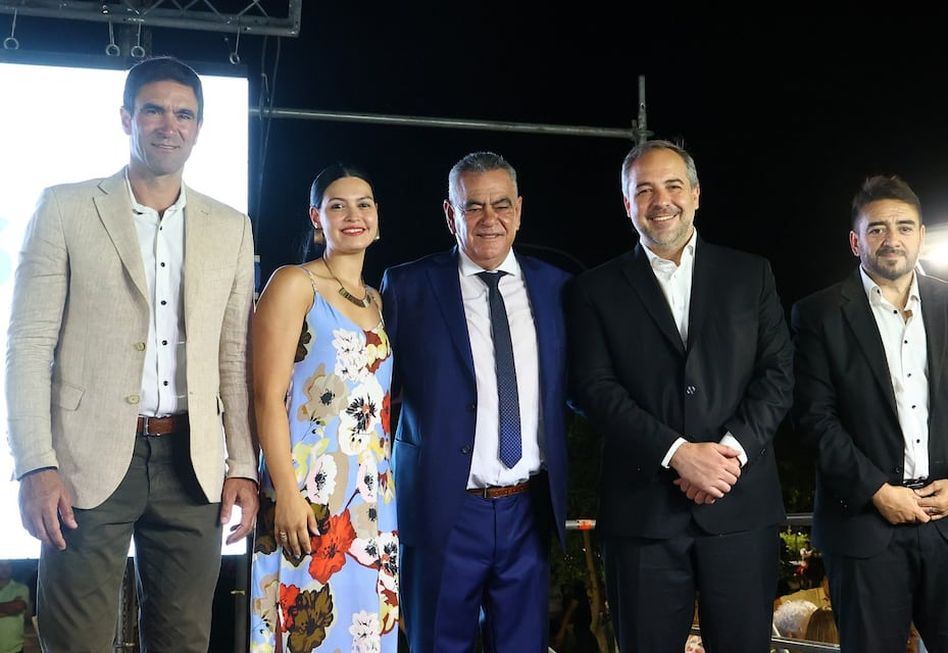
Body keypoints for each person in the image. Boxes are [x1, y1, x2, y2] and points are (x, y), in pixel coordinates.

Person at [4, 56, 258, 652]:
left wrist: (243, 466)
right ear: (126, 118)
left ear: (199, 128)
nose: (169, 125)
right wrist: (35, 465)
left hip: (192, 464)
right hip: (82, 461)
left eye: (184, 114)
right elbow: (27, 345)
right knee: (76, 642)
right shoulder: (64, 207)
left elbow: (233, 358)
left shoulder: (231, 225)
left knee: (182, 643)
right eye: (153, 110)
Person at [566, 139, 793, 653]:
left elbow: (778, 375)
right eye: (644, 190)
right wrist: (677, 454)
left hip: (741, 508)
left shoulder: (751, 274)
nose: (660, 200)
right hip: (642, 514)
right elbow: (592, 389)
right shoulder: (594, 289)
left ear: (695, 194)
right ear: (627, 203)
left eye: (672, 186)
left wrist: (727, 456)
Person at [791, 175, 948, 652]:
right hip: (864, 527)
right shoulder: (818, 314)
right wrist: (876, 491)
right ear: (855, 241)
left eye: (904, 227)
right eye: (877, 228)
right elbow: (813, 419)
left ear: (921, 236)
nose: (892, 239)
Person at [380, 151, 570, 652]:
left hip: (528, 510)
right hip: (442, 510)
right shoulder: (407, 287)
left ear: (519, 210)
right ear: (450, 214)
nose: (490, 219)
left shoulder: (557, 288)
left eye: (501, 205)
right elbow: (376, 397)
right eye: (473, 206)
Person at [249, 164, 397, 651]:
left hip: (373, 501)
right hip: (310, 494)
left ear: (377, 217)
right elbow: (266, 397)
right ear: (317, 219)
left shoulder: (376, 300)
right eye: (338, 205)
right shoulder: (295, 283)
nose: (353, 215)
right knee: (308, 632)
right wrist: (287, 494)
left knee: (365, 634)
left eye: (364, 204)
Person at [0, 561, 31, 653]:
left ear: (12, 567)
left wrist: (14, 608)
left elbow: (17, 608)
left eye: (8, 565)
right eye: (1, 565)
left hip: (14, 648)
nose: (5, 569)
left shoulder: (21, 588)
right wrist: (10, 607)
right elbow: (13, 608)